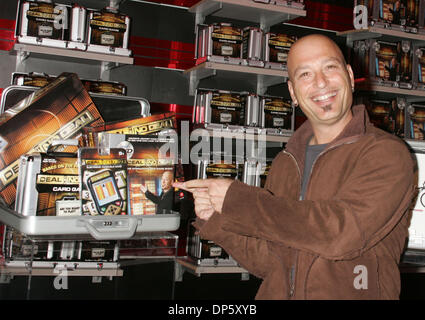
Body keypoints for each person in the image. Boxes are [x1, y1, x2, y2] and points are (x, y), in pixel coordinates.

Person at [173, 34, 416, 300]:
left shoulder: (386, 154)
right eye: (305, 74)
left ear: (348, 75)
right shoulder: (286, 163)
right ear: (293, 93)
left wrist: (237, 200)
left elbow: (341, 234)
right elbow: (271, 262)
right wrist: (216, 220)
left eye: (330, 67)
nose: (320, 83)